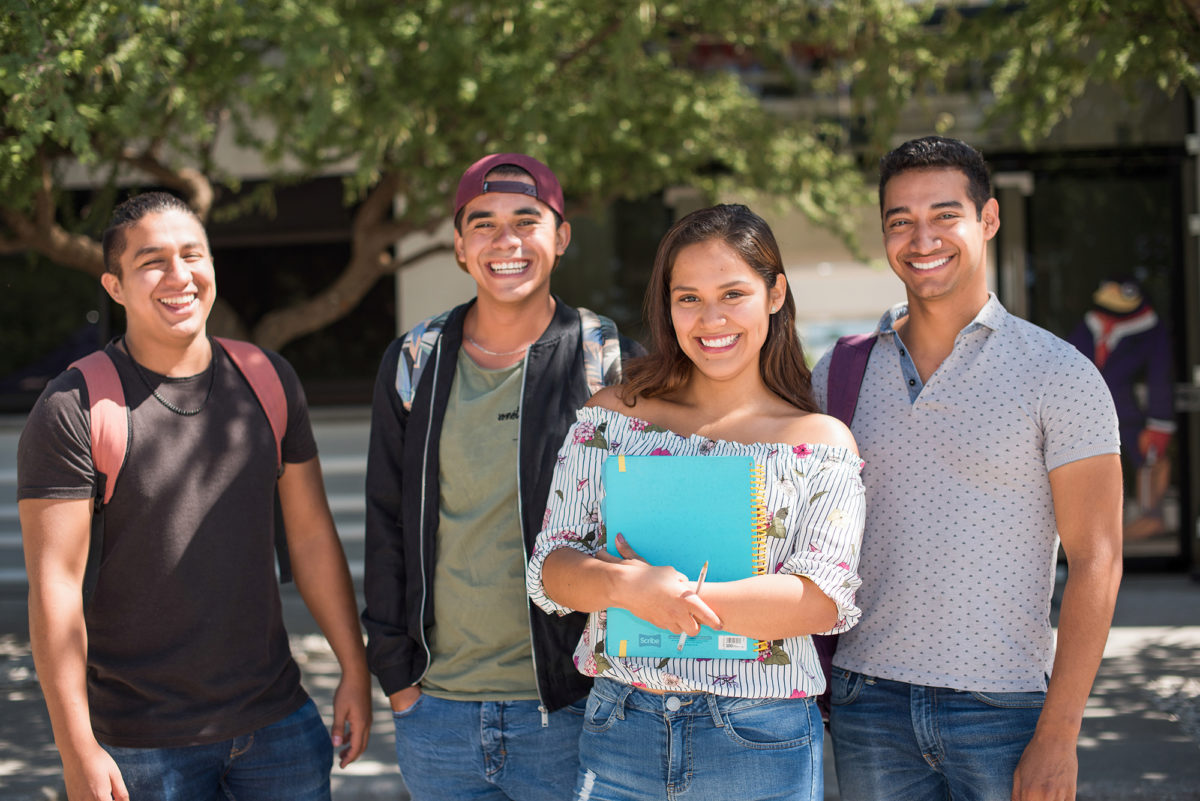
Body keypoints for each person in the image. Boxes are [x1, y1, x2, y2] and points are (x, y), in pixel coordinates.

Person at [18, 192, 371, 801]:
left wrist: (355, 670)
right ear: (115, 285)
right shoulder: (73, 408)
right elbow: (55, 590)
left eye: (192, 255)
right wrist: (77, 749)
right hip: (140, 745)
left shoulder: (268, 379)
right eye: (152, 261)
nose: (179, 276)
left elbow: (312, 538)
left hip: (278, 727)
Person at [810, 136, 1123, 801]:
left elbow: (1098, 559)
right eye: (901, 221)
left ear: (988, 219)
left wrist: (1059, 733)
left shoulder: (1059, 375)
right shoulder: (838, 373)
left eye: (944, 214)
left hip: (1003, 708)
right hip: (869, 707)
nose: (922, 237)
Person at [526, 203, 866, 800]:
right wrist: (627, 590)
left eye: (733, 293)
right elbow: (551, 569)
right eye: (688, 298)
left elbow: (819, 600)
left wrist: (670, 600)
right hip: (619, 727)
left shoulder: (820, 441)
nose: (712, 319)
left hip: (758, 736)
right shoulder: (612, 418)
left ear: (776, 293)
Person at [361, 153, 642, 801]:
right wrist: (397, 677)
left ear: (561, 236)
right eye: (482, 224)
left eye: (526, 220)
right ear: (459, 246)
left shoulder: (606, 357)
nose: (505, 241)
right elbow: (386, 523)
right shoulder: (415, 359)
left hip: (571, 706)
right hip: (440, 711)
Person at [1068, 277, 1175, 539]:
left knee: (1148, 461)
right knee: (1095, 473)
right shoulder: (1088, 326)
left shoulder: (1151, 331)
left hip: (1131, 417)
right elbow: (1068, 364)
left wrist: (1158, 424)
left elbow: (1160, 379)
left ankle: (1149, 518)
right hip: (1088, 419)